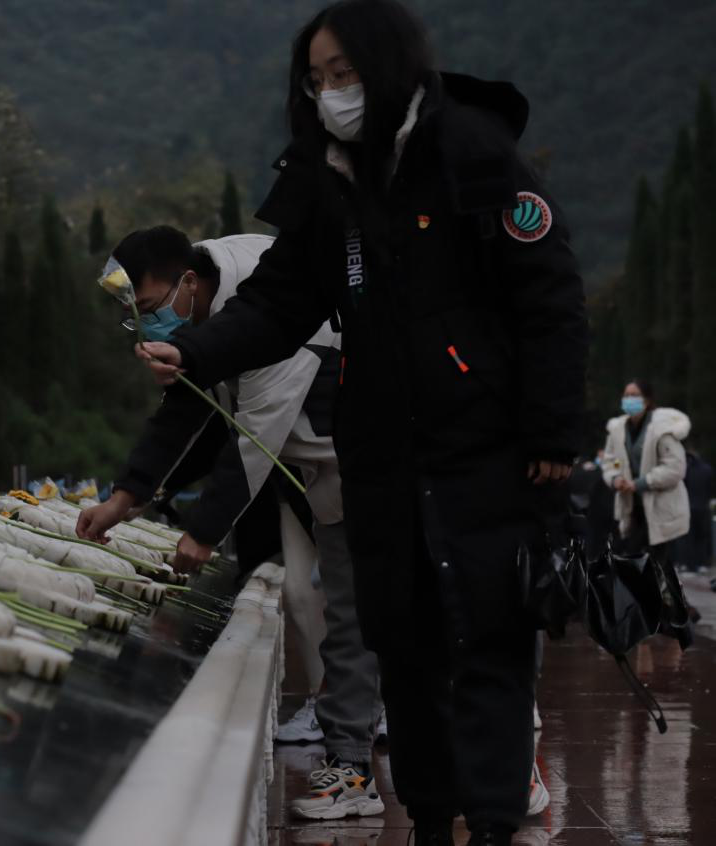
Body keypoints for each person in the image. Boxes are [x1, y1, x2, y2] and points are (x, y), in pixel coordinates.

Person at [128, 2, 587, 843]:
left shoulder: (474, 153)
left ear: (388, 64)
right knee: (404, 652)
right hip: (379, 453)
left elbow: (549, 297)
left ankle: (492, 824)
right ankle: (430, 819)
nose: (330, 92)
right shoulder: (324, 177)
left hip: (484, 452)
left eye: (343, 73)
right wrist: (192, 351)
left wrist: (552, 433)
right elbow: (276, 303)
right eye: (315, 79)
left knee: (488, 646)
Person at [78, 226, 385, 820]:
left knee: (393, 613)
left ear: (188, 283)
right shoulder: (212, 295)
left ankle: (492, 759)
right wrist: (124, 499)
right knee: (349, 615)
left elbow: (252, 440)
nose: (147, 326)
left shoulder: (274, 307)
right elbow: (185, 407)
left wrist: (202, 534)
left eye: (151, 308)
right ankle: (352, 768)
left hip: (371, 460)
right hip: (331, 474)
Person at [601, 380, 691, 561]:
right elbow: (611, 461)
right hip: (632, 508)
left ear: (647, 400)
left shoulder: (662, 429)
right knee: (632, 560)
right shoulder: (617, 429)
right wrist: (616, 477)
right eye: (626, 395)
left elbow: (675, 467)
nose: (629, 399)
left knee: (659, 563)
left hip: (661, 509)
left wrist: (641, 483)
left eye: (634, 395)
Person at [678, 449, 712, 572]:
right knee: (701, 537)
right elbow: (709, 489)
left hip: (689, 507)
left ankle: (688, 564)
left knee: (688, 538)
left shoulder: (686, 471)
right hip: (703, 507)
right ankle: (701, 563)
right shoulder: (707, 469)